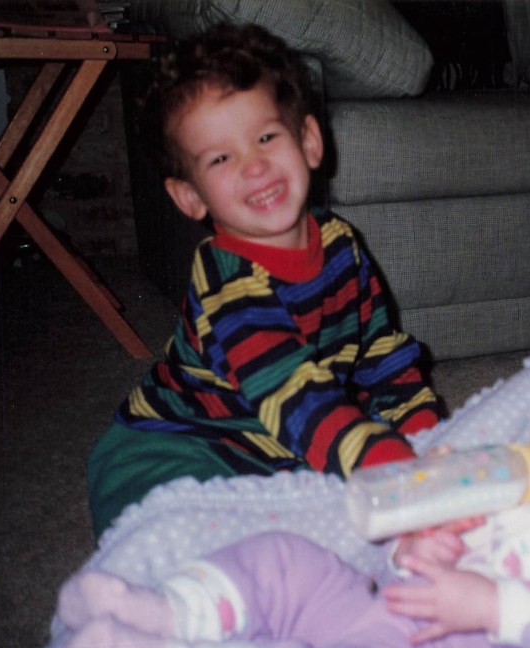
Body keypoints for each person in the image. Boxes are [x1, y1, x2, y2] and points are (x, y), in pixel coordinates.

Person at [57, 354, 530, 648]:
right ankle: (170, 610)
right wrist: (423, 546)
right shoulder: (517, 494)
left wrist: (486, 603)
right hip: (374, 608)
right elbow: (404, 565)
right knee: (286, 557)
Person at [87, 23, 441, 538]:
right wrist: (389, 463)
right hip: (186, 442)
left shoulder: (341, 243)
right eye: (221, 158)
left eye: (266, 137)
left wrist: (426, 438)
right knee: (164, 529)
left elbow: (380, 355)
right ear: (190, 197)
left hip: (286, 448)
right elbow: (290, 393)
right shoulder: (225, 280)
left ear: (309, 141)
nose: (253, 166)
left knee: (347, 511)